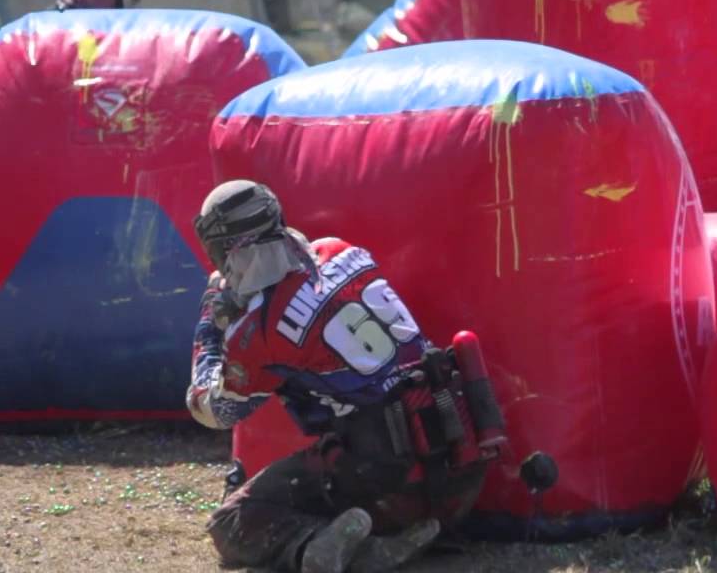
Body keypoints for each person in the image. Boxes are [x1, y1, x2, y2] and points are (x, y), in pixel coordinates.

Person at [187, 180, 518, 573]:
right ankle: (390, 540)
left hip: (386, 479)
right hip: (459, 465)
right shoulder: (342, 252)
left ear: (226, 249)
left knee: (230, 524)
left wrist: (210, 318)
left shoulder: (256, 333)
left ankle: (325, 548)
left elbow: (212, 410)